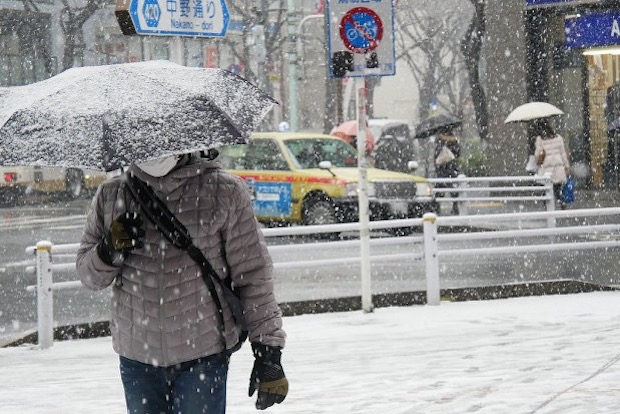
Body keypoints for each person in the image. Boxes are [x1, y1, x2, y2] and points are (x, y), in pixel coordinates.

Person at [76, 151, 288, 413]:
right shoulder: (112, 195)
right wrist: (109, 250)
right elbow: (89, 277)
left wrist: (268, 351)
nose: (151, 149)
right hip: (138, 358)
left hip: (203, 354)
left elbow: (254, 276)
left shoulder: (224, 191)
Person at [533, 119, 571, 209]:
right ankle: (562, 203)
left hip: (547, 170)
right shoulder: (558, 138)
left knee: (546, 191)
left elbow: (538, 155)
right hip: (558, 169)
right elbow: (563, 154)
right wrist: (567, 166)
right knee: (558, 190)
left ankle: (548, 208)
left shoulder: (540, 139)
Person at [434, 127, 461, 215]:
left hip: (442, 169)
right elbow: (458, 153)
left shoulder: (439, 141)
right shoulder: (454, 141)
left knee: (440, 188)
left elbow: (436, 155)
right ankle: (455, 207)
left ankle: (437, 208)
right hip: (451, 168)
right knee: (453, 188)